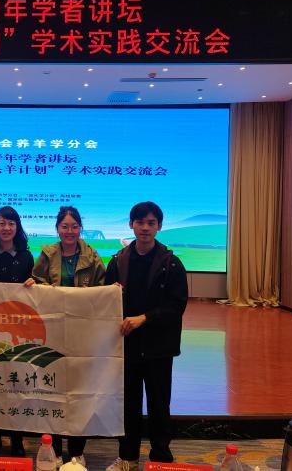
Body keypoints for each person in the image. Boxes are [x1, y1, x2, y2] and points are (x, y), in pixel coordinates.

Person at [104, 201, 188, 471]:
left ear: (159, 226)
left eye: (151, 223)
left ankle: (161, 458)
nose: (145, 228)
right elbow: (104, 302)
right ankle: (127, 457)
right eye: (140, 222)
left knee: (159, 405)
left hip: (159, 348)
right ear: (131, 225)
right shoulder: (117, 261)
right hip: (127, 346)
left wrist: (144, 318)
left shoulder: (172, 264)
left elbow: (176, 306)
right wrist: (112, 294)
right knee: (128, 405)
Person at [32, 205, 106, 467]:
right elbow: (35, 282)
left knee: (79, 392)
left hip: (81, 333)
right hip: (51, 332)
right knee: (51, 388)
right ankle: (53, 448)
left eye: (74, 226)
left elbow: (101, 288)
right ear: (57, 228)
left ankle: (76, 451)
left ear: (80, 228)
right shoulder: (47, 254)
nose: (70, 231)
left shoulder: (92, 255)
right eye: (65, 226)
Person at [0, 206, 35, 458]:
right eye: (2, 223)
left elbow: (33, 294)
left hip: (18, 328)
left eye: (11, 223)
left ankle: (17, 438)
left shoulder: (26, 257)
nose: (6, 228)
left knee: (17, 383)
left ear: (17, 227)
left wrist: (34, 284)